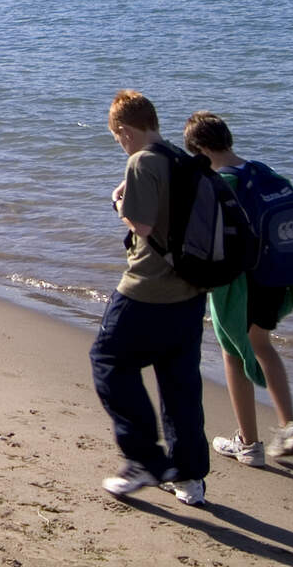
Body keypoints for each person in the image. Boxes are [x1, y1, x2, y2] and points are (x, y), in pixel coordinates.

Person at [183, 111, 293, 467]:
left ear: (200, 149)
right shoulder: (266, 174)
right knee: (261, 344)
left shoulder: (221, 184)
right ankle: (289, 424)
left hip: (242, 284)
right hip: (277, 277)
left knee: (233, 352)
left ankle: (249, 445)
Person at [92, 89, 209, 506]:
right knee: (179, 382)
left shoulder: (141, 160)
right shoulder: (180, 156)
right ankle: (189, 475)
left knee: (108, 362)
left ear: (124, 130)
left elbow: (140, 225)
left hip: (146, 289)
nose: (120, 143)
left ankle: (144, 459)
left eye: (117, 136)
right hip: (191, 291)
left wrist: (118, 201)